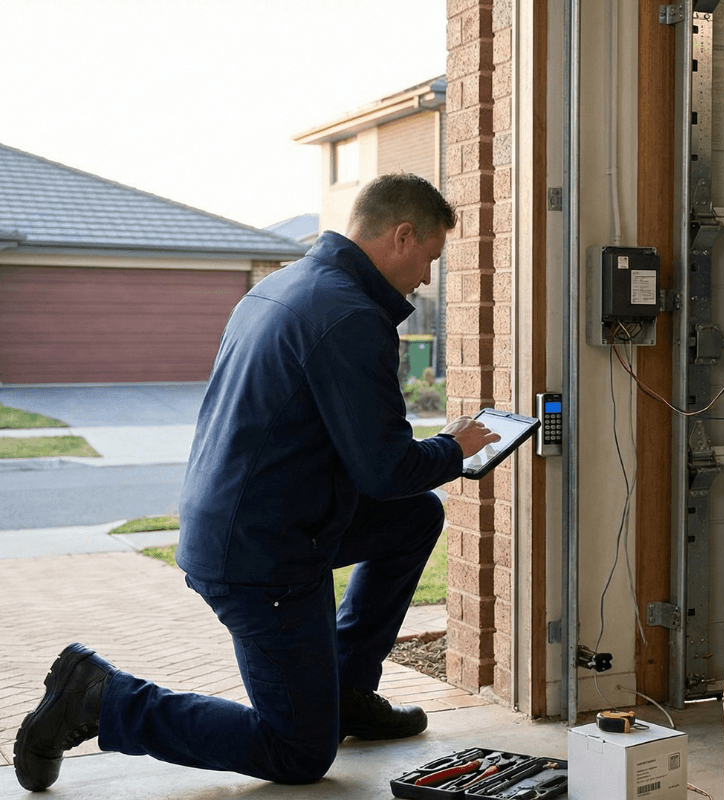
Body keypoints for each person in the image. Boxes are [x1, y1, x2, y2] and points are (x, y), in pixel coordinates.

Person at [14, 173, 500, 792]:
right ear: (402, 235)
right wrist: (455, 448)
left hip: (250, 517)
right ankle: (101, 699)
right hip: (262, 556)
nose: (427, 277)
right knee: (298, 752)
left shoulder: (282, 286)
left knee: (415, 517)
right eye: (430, 257)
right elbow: (384, 471)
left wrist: (437, 451)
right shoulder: (351, 315)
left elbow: (353, 452)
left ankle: (346, 692)